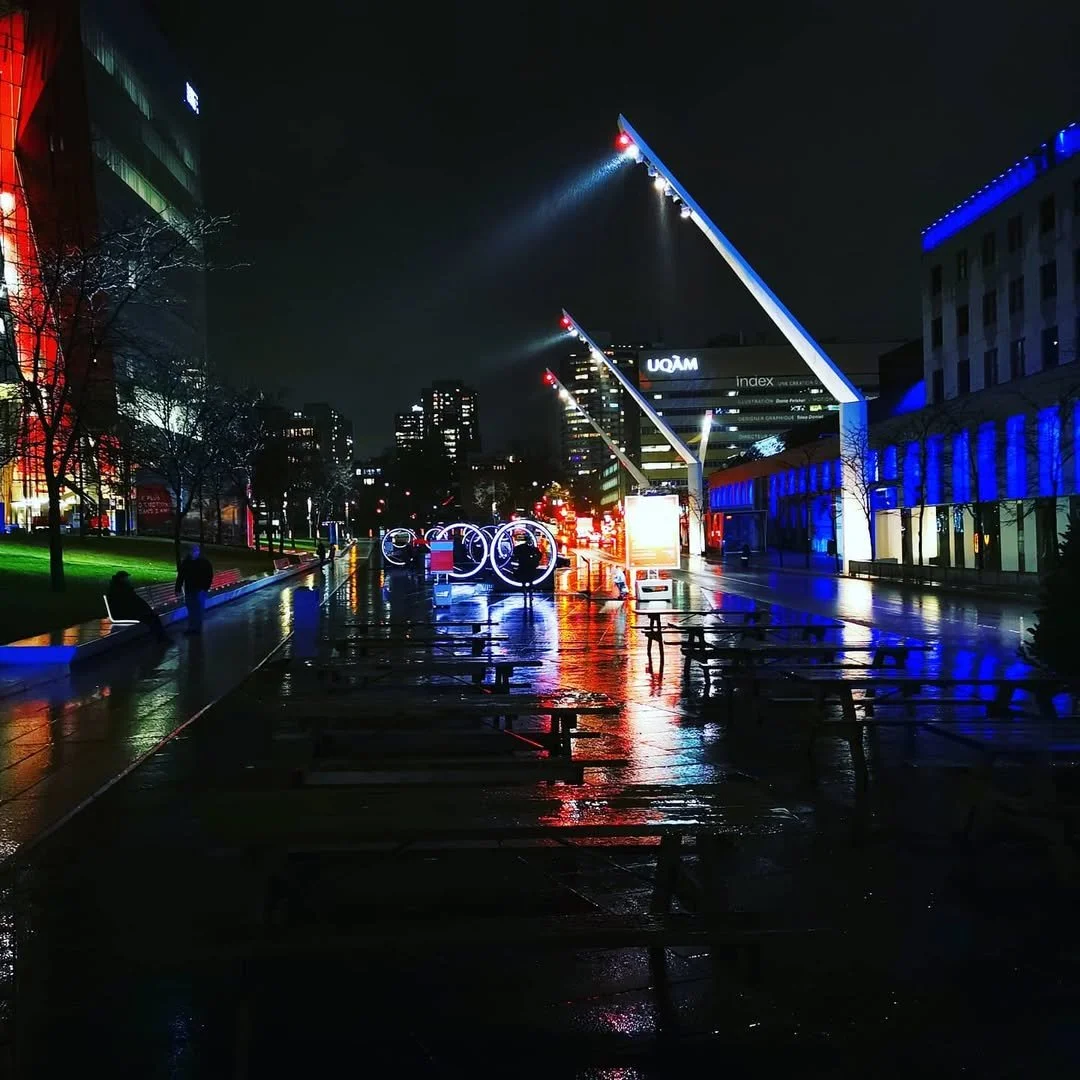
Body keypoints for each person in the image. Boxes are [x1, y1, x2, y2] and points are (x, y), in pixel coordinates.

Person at [107, 571, 167, 642]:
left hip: (134, 611)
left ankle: (161, 637)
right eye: (126, 578)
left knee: (153, 617)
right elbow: (128, 605)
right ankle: (161, 638)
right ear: (121, 579)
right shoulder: (121, 590)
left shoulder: (123, 589)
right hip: (128, 613)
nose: (127, 579)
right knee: (153, 619)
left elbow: (135, 603)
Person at [175, 544, 214, 635]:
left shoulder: (204, 562)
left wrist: (205, 587)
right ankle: (192, 627)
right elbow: (181, 576)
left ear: (198, 552)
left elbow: (209, 576)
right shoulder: (186, 562)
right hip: (189, 589)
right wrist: (178, 588)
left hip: (200, 589)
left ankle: (196, 628)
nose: (193, 553)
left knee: (198, 609)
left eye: (195, 551)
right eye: (192, 551)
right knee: (191, 608)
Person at [512, 535, 542, 601]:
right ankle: (530, 594)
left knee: (523, 580)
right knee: (530, 580)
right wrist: (536, 560)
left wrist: (517, 559)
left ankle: (525, 593)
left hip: (523, 565)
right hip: (530, 565)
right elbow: (540, 554)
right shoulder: (531, 548)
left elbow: (514, 556)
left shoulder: (518, 548)